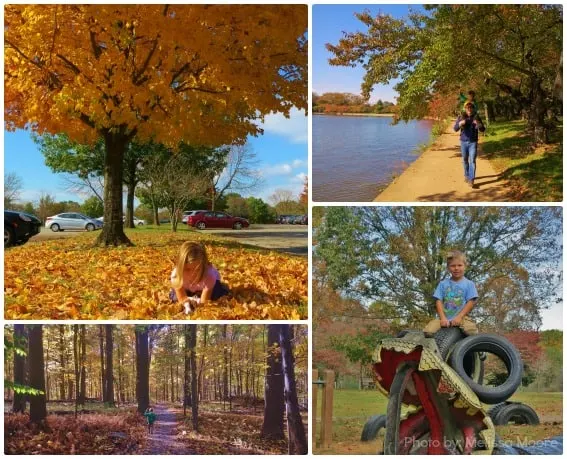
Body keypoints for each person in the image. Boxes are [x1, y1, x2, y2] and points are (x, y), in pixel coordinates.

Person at [424, 250, 478, 337]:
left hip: (462, 317)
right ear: (448, 268)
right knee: (428, 331)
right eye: (453, 266)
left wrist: (459, 317)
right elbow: (438, 300)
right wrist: (442, 318)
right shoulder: (443, 284)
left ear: (465, 266)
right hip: (444, 317)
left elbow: (471, 302)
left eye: (459, 265)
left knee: (471, 331)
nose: (456, 268)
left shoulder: (469, 284)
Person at [169, 241, 229, 314]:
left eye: (197, 269)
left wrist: (198, 303)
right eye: (187, 269)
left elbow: (204, 302)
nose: (192, 274)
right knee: (174, 296)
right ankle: (194, 296)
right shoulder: (176, 276)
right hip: (188, 288)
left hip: (209, 287)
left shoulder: (209, 276)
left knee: (216, 294)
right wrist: (187, 304)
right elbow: (181, 298)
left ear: (204, 267)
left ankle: (220, 288)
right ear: (181, 267)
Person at [454, 102, 485, 187]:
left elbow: (482, 129)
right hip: (463, 142)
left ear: (473, 108)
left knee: (473, 161)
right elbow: (455, 129)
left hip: (473, 142)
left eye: (471, 107)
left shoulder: (476, 117)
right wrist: (460, 124)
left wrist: (478, 124)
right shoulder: (461, 117)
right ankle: (466, 175)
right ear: (465, 108)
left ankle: (471, 179)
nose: (469, 109)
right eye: (467, 108)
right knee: (465, 160)